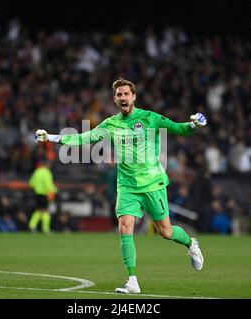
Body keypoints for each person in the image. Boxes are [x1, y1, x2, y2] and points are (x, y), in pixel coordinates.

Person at [35, 77, 206, 294]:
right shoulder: (111, 124)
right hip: (126, 186)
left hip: (153, 184)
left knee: (166, 231)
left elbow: (178, 129)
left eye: (126, 94)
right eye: (119, 95)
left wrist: (193, 124)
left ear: (133, 96)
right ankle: (132, 281)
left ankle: (191, 244)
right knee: (125, 228)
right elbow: (84, 138)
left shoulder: (149, 118)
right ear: (115, 99)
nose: (123, 97)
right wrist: (51, 137)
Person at [28, 159, 58, 234]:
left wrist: (37, 188)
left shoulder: (37, 171)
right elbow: (48, 184)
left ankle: (32, 226)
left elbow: (31, 183)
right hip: (44, 194)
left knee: (39, 210)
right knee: (45, 211)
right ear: (47, 164)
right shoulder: (47, 172)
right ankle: (45, 229)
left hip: (36, 193)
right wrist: (55, 190)